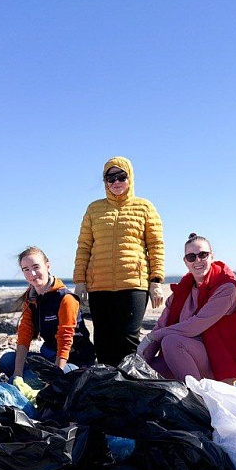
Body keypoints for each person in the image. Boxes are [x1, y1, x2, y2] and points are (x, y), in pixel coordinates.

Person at [74, 156, 165, 367]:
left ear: (130, 177)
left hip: (133, 284)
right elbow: (84, 246)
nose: (116, 182)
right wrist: (80, 281)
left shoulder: (145, 207)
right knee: (103, 339)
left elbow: (156, 245)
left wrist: (156, 281)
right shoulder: (94, 209)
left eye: (121, 176)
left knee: (128, 338)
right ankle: (109, 387)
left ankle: (129, 386)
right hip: (99, 286)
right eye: (110, 177)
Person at [139, 234, 236, 384]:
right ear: (185, 262)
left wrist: (152, 337)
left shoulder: (226, 288)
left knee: (171, 342)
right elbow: (162, 324)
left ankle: (198, 398)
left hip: (222, 360)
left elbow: (194, 327)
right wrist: (141, 358)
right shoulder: (183, 291)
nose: (198, 260)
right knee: (148, 371)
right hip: (190, 354)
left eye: (203, 255)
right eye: (191, 257)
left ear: (212, 256)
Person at [0, 246, 96, 385]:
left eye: (36, 267)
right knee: (6, 361)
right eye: (26, 269)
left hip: (74, 359)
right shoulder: (31, 297)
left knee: (29, 378)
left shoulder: (66, 298)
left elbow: (65, 339)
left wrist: (54, 376)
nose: (32, 273)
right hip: (50, 353)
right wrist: (17, 374)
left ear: (47, 266)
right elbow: (24, 334)